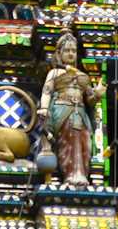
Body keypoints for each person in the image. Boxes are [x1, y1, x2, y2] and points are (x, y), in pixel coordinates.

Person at [36, 30, 101, 188]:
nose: (71, 54)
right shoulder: (55, 72)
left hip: (81, 112)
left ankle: (81, 173)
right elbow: (47, 91)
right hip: (62, 111)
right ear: (59, 53)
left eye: (73, 51)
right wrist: (44, 108)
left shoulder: (82, 76)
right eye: (67, 50)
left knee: (85, 140)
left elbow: (90, 99)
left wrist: (98, 94)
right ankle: (70, 175)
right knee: (68, 139)